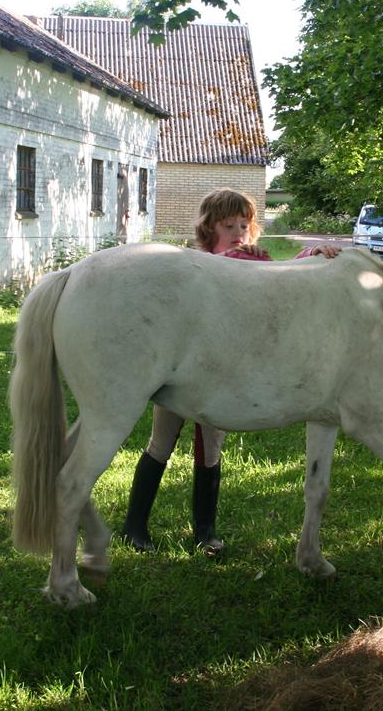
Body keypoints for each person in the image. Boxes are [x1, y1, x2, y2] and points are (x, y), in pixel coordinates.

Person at [121, 188, 340, 557]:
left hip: (218, 377)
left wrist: (309, 253)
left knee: (209, 452)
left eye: (244, 224)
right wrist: (235, 259)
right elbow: (212, 277)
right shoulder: (197, 261)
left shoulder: (252, 259)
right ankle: (134, 526)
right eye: (229, 225)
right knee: (160, 444)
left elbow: (280, 280)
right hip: (178, 371)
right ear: (210, 227)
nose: (238, 231)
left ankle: (205, 532)